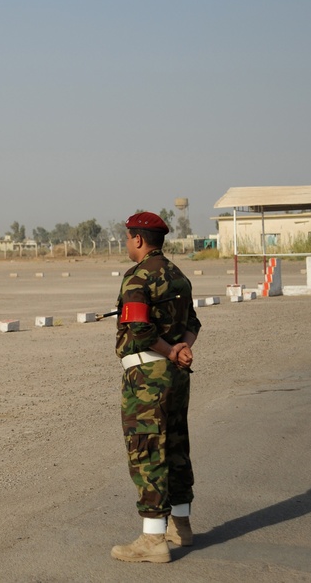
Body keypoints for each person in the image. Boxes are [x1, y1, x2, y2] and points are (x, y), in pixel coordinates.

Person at [110, 212, 202, 563]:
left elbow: (139, 329)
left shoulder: (139, 276)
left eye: (128, 237)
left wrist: (168, 350)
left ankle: (152, 540)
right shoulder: (178, 275)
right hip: (177, 375)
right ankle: (181, 525)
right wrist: (182, 349)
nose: (127, 243)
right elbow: (192, 321)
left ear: (137, 239)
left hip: (148, 376)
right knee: (176, 446)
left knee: (147, 450)